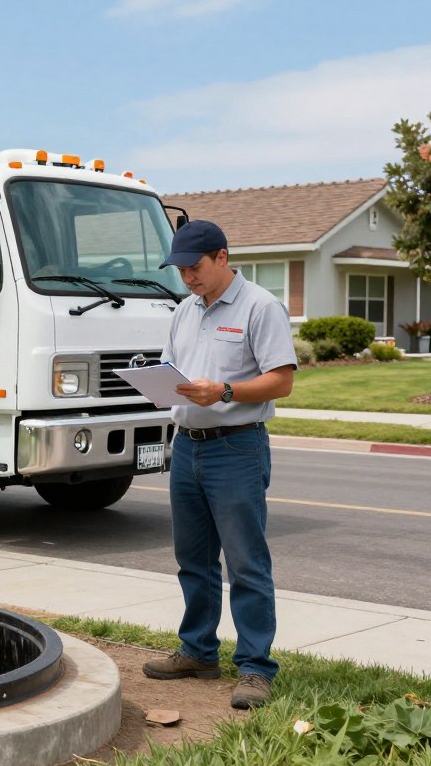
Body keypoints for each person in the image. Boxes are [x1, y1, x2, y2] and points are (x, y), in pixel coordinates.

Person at [143, 220, 297, 710]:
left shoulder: (261, 307)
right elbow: (173, 369)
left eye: (195, 267)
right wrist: (159, 385)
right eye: (181, 270)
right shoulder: (184, 311)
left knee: (247, 562)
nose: (188, 277)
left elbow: (281, 381)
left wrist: (225, 391)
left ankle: (255, 668)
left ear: (222, 257)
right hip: (186, 445)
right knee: (193, 559)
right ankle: (198, 651)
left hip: (236, 447)